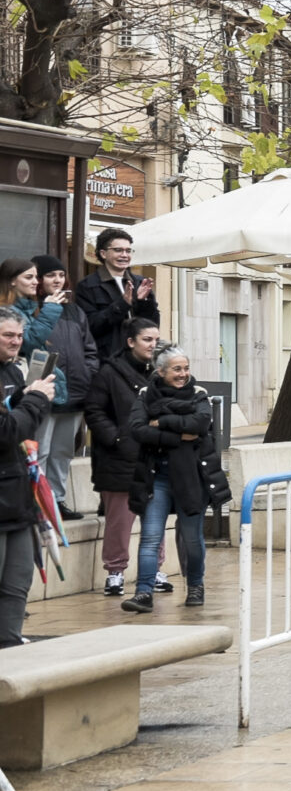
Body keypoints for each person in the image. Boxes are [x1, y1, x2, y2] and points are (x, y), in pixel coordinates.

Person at [124, 345, 225, 611]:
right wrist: (178, 436)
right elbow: (137, 430)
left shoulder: (199, 394)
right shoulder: (146, 395)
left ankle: (195, 587)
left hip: (192, 477)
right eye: (176, 369)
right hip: (156, 477)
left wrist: (162, 422)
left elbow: (201, 425)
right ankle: (143, 593)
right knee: (150, 537)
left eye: (186, 368)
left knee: (192, 538)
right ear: (161, 371)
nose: (183, 374)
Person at [84, 317, 156, 598]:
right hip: (118, 460)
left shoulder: (158, 372)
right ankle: (115, 573)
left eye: (155, 339)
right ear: (130, 342)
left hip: (153, 458)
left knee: (155, 520)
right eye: (147, 339)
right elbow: (94, 411)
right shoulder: (108, 373)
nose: (153, 345)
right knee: (119, 522)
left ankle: (154, 571)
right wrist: (116, 438)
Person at [0, 309, 60, 643]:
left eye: (19, 336)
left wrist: (24, 397)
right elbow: (7, 431)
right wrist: (35, 399)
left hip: (17, 495)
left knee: (17, 583)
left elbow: (14, 417)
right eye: (8, 335)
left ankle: (9, 651)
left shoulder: (11, 369)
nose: (16, 341)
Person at [29, 257, 90, 517]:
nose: (58, 280)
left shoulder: (75, 311)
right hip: (46, 391)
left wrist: (89, 374)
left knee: (63, 452)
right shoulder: (32, 311)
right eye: (50, 275)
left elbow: (90, 350)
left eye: (61, 275)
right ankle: (37, 503)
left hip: (75, 393)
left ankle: (56, 501)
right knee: (40, 451)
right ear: (39, 280)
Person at [74, 229, 159, 358]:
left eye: (128, 251)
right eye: (118, 250)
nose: (124, 255)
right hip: (107, 360)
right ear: (103, 253)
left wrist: (143, 303)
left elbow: (153, 324)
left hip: (139, 359)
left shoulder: (140, 282)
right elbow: (90, 326)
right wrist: (122, 304)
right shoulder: (87, 285)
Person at [3, 258, 66, 362]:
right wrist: (50, 309)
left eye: (36, 277)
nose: (36, 282)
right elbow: (27, 343)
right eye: (28, 278)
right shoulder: (5, 311)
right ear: (12, 281)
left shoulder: (28, 308)